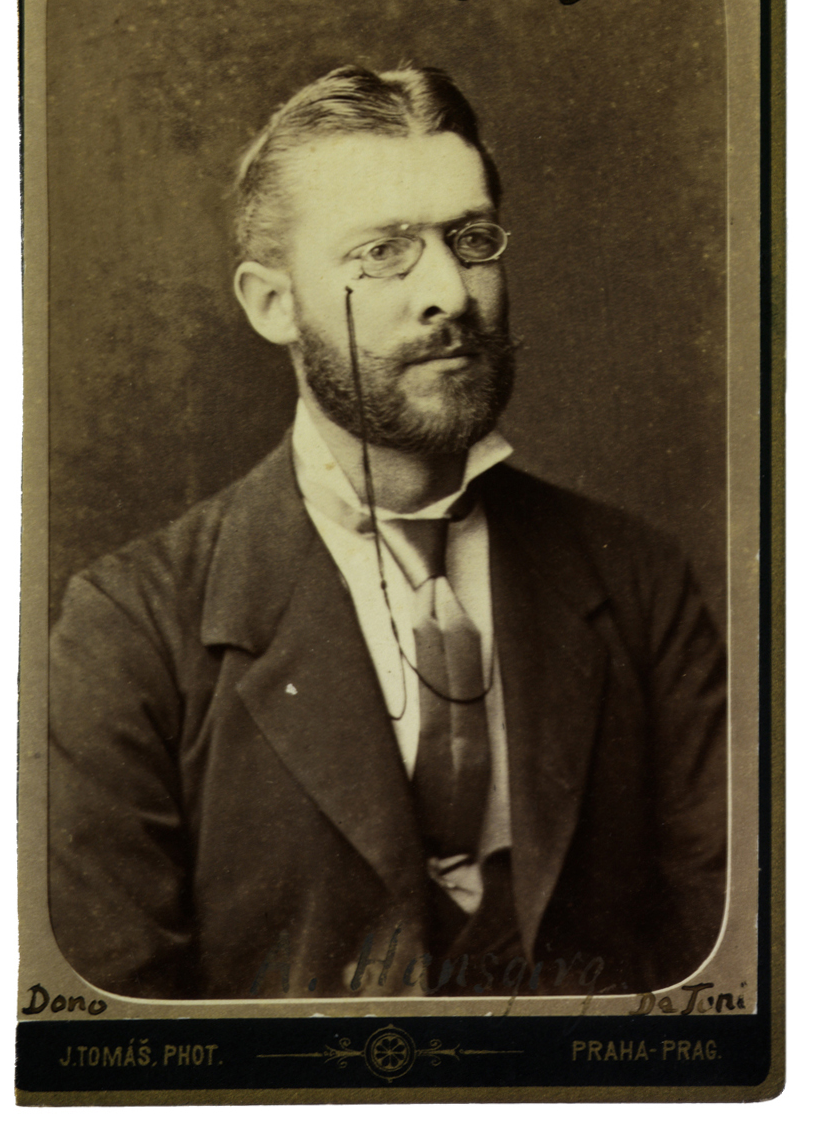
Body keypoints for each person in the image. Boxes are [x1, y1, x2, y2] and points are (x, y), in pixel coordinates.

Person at [48, 65, 726, 1003]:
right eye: (381, 253)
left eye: (470, 240)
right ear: (272, 303)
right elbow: (116, 1027)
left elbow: (719, 971)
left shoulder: (640, 582)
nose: (449, 291)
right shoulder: (131, 628)